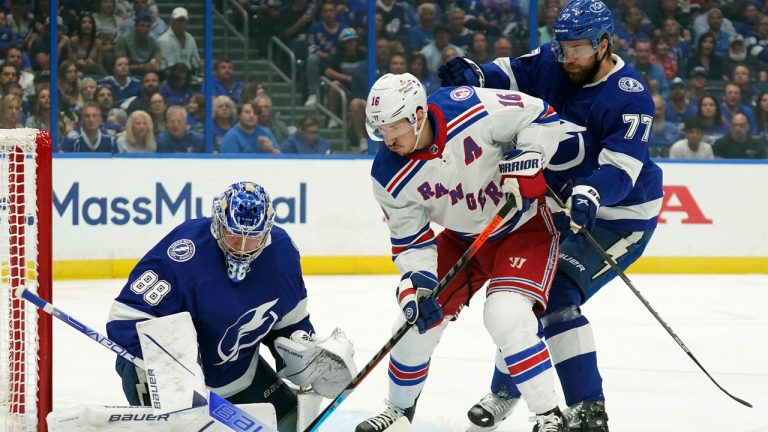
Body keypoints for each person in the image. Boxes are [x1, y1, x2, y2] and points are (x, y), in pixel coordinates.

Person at [438, 0, 663, 430]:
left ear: (603, 44)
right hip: (560, 208)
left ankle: (588, 409)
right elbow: (505, 73)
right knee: (522, 296)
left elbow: (621, 170)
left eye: (576, 48)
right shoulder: (552, 63)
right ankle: (505, 393)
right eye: (561, 47)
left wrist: (590, 194)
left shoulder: (630, 97)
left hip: (621, 216)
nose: (567, 57)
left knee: (557, 294)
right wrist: (474, 73)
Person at [356, 72, 566, 432]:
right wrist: (419, 287)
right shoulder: (387, 173)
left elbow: (541, 115)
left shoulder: (468, 106)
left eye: (395, 127)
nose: (388, 138)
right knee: (412, 324)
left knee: (506, 316)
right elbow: (411, 240)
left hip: (523, 228)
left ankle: (549, 416)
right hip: (462, 239)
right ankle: (398, 411)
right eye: (380, 129)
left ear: (418, 115)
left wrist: (529, 157)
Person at [105, 181, 356, 432]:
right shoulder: (183, 252)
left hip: (237, 375)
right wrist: (169, 370)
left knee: (289, 420)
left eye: (253, 238)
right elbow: (127, 317)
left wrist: (304, 351)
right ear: (218, 224)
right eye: (234, 236)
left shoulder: (282, 253)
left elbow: (288, 322)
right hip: (166, 380)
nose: (243, 247)